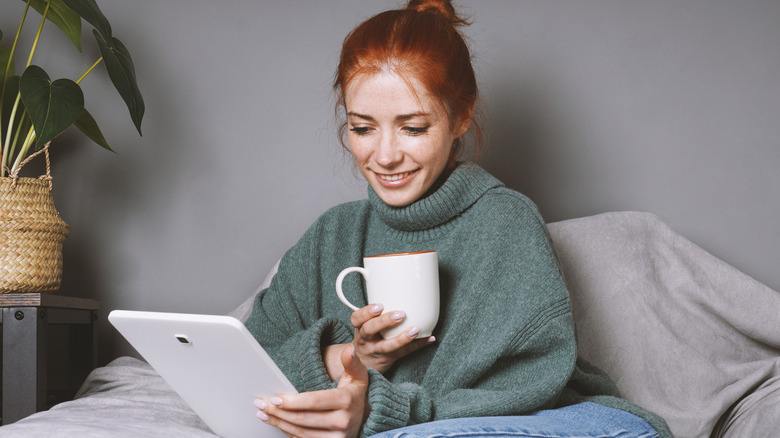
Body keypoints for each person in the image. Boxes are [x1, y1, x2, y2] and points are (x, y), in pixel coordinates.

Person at [245, 1, 672, 437]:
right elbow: (245, 362)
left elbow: (526, 385)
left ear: (462, 116)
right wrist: (352, 358)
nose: (386, 156)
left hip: (569, 421)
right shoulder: (332, 235)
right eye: (362, 128)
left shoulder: (504, 221)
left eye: (413, 128)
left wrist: (375, 408)